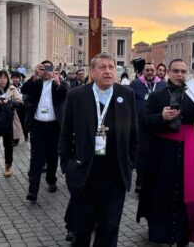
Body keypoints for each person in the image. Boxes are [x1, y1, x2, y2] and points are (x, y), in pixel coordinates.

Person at [58, 53, 138, 247]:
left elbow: (134, 135)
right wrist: (68, 167)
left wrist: (129, 164)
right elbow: (65, 133)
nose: (108, 71)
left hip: (115, 176)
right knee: (82, 229)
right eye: (102, 67)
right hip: (85, 175)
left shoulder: (126, 95)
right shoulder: (76, 96)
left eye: (111, 67)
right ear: (92, 72)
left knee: (110, 228)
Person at [137, 59, 194, 246]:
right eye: (176, 71)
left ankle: (182, 234)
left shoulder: (193, 94)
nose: (180, 75)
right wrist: (161, 117)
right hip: (162, 151)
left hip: (187, 150)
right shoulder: (157, 95)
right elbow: (145, 121)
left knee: (184, 192)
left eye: (183, 72)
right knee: (162, 191)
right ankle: (160, 232)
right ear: (168, 72)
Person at [21, 60, 68, 202]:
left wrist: (58, 82)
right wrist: (35, 75)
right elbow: (24, 90)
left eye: (48, 69)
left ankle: (51, 180)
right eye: (43, 68)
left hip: (54, 125)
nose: (46, 71)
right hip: (38, 125)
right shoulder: (36, 83)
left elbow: (65, 94)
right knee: (36, 157)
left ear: (53, 70)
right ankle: (32, 190)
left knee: (53, 155)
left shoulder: (59, 83)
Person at [129, 62, 166, 193]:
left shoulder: (162, 85)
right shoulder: (135, 84)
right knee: (141, 155)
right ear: (143, 72)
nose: (150, 72)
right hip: (141, 126)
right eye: (147, 70)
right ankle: (140, 182)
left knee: (156, 154)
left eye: (152, 70)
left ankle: (154, 181)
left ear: (155, 71)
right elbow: (129, 103)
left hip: (158, 125)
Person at [0, 70, 23, 183]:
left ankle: (8, 166)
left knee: (8, 145)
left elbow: (20, 102)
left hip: (9, 122)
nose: (2, 80)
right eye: (0, 78)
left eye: (4, 78)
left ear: (7, 79)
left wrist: (9, 102)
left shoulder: (12, 89)